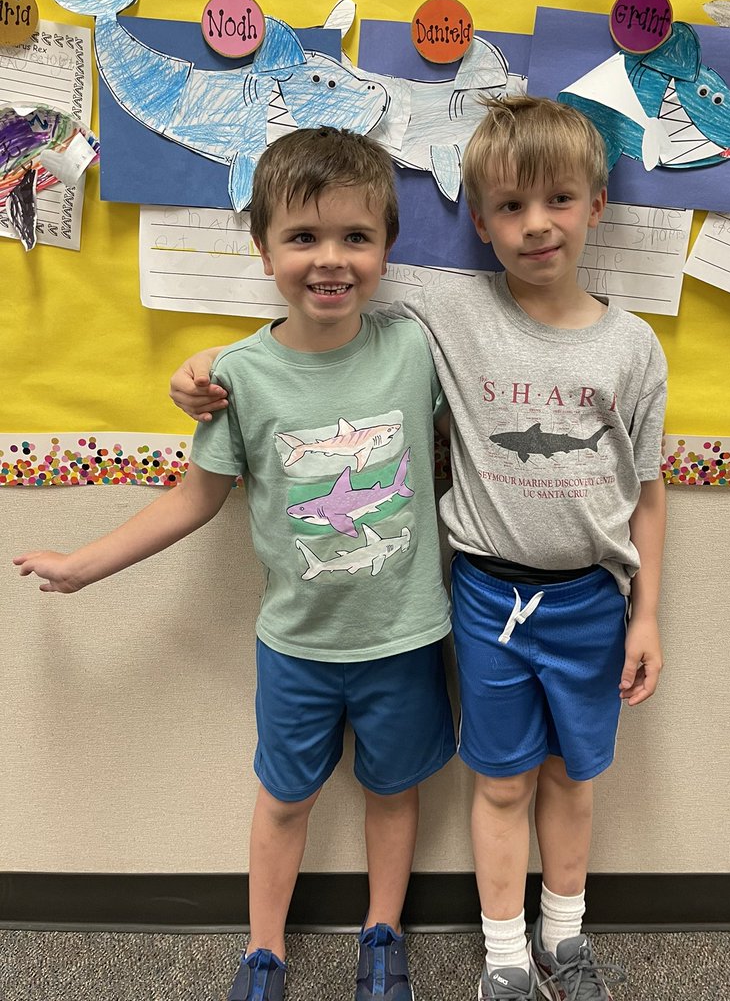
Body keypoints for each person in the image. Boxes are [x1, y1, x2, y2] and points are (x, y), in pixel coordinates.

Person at [170, 97, 667, 1001]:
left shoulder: (635, 347)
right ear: (478, 221)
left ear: (598, 205)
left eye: (559, 199)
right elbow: (323, 311)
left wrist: (647, 615)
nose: (536, 224)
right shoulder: (444, 311)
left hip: (593, 598)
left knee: (574, 776)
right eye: (510, 206)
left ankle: (566, 940)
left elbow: (649, 487)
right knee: (502, 781)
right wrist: (205, 364)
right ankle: (505, 958)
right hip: (483, 597)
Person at [14, 127, 455, 1001]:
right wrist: (82, 565)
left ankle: (383, 935)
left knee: (394, 791)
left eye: (356, 237)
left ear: (386, 247)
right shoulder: (239, 378)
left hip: (404, 637)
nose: (330, 259)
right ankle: (264, 952)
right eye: (303, 237)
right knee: (283, 800)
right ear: (262, 249)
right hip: (295, 646)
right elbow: (193, 500)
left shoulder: (415, 349)